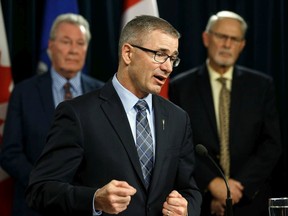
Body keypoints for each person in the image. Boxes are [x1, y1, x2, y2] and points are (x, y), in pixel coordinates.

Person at [25, 15, 202, 216]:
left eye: (172, 58)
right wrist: (94, 200)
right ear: (128, 53)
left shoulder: (178, 118)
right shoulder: (79, 114)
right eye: (160, 54)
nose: (168, 67)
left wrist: (187, 208)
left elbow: (190, 190)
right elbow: (40, 190)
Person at [169, 11, 281, 216]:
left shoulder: (261, 86)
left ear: (242, 45)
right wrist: (212, 183)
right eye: (221, 36)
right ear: (206, 38)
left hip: (251, 200)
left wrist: (239, 188)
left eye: (234, 39)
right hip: (201, 202)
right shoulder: (181, 87)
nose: (227, 44)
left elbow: (271, 144)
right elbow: (178, 145)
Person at [0, 13, 104, 216]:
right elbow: (10, 153)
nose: (74, 50)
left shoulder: (102, 94)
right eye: (66, 41)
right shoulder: (24, 93)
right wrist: (45, 185)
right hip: (34, 205)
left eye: (80, 43)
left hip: (86, 206)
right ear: (50, 46)